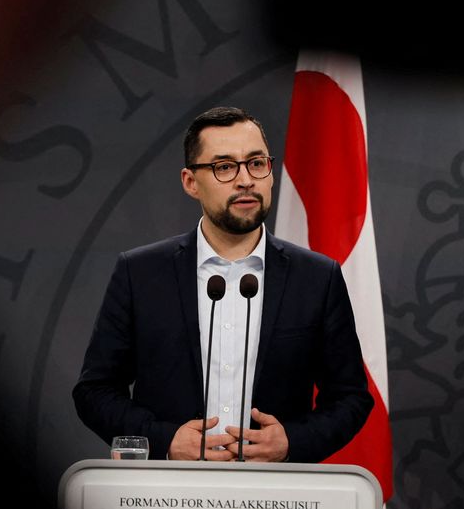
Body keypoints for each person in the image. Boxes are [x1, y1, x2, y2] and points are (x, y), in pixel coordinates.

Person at [73, 106, 373, 462]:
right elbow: (95, 391)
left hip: (277, 494)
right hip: (167, 492)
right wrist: (164, 439)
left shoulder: (317, 277)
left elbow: (351, 397)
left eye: (256, 163)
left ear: (271, 173)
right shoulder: (139, 273)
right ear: (190, 182)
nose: (245, 179)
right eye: (225, 167)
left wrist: (292, 441)